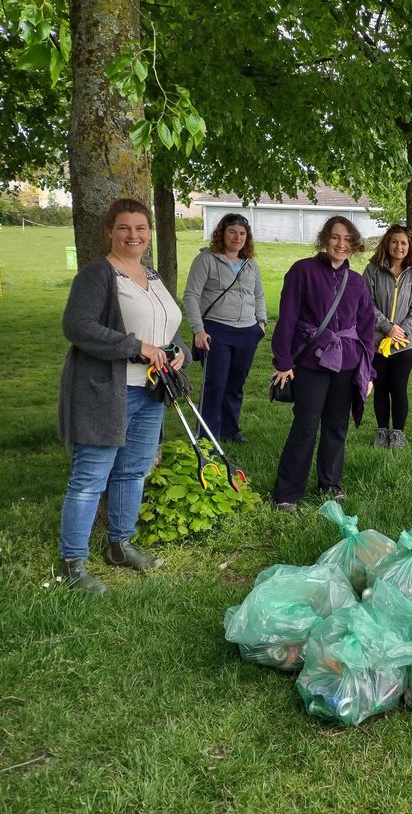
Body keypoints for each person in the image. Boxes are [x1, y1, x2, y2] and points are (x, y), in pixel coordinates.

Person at [57, 198, 190, 594]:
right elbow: (77, 326)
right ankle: (72, 563)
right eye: (124, 228)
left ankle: (120, 544)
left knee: (133, 471)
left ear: (149, 233)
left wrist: (177, 349)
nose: (134, 235)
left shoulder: (152, 274)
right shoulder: (99, 275)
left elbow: (166, 322)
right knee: (89, 477)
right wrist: (137, 347)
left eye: (141, 228)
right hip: (105, 391)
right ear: (109, 233)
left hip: (150, 390)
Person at [269, 217, 375, 509]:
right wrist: (283, 360)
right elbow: (288, 316)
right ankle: (287, 493)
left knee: (336, 425)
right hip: (311, 361)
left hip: (348, 362)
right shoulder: (303, 271)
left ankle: (330, 484)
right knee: (305, 424)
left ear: (354, 245)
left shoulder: (356, 282)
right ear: (325, 239)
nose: (341, 244)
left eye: (347, 239)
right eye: (335, 237)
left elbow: (366, 328)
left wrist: (369, 372)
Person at [182, 213, 267, 444]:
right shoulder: (206, 260)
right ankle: (208, 434)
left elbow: (258, 294)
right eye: (232, 232)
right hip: (216, 330)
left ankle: (231, 430)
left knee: (236, 384)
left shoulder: (251, 265)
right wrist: (198, 329)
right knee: (215, 384)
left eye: (242, 233)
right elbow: (191, 295)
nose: (237, 237)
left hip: (247, 331)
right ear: (222, 233)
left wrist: (261, 323)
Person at [362, 225, 412, 449]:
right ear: (387, 243)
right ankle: (382, 430)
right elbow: (366, 303)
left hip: (405, 342)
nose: (399, 247)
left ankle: (398, 432)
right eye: (395, 242)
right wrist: (387, 327)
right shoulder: (373, 270)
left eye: (404, 243)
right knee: (381, 387)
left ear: (410, 247)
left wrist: (403, 329)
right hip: (378, 340)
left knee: (398, 386)